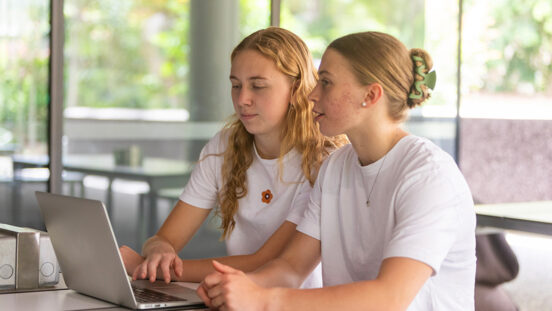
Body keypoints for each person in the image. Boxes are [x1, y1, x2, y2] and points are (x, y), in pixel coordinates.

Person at [198, 31, 476, 311]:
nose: (311, 94)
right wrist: (236, 287)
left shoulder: (428, 175)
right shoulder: (334, 167)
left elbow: (390, 298)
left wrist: (263, 299)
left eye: (326, 83)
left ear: (370, 95)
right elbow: (292, 268)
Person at [119, 27, 345, 288]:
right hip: (236, 299)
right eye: (236, 85)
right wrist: (159, 251)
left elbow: (267, 261)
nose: (242, 99)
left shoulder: (324, 161)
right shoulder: (224, 147)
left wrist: (149, 269)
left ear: (296, 90)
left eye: (258, 86)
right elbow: (165, 238)